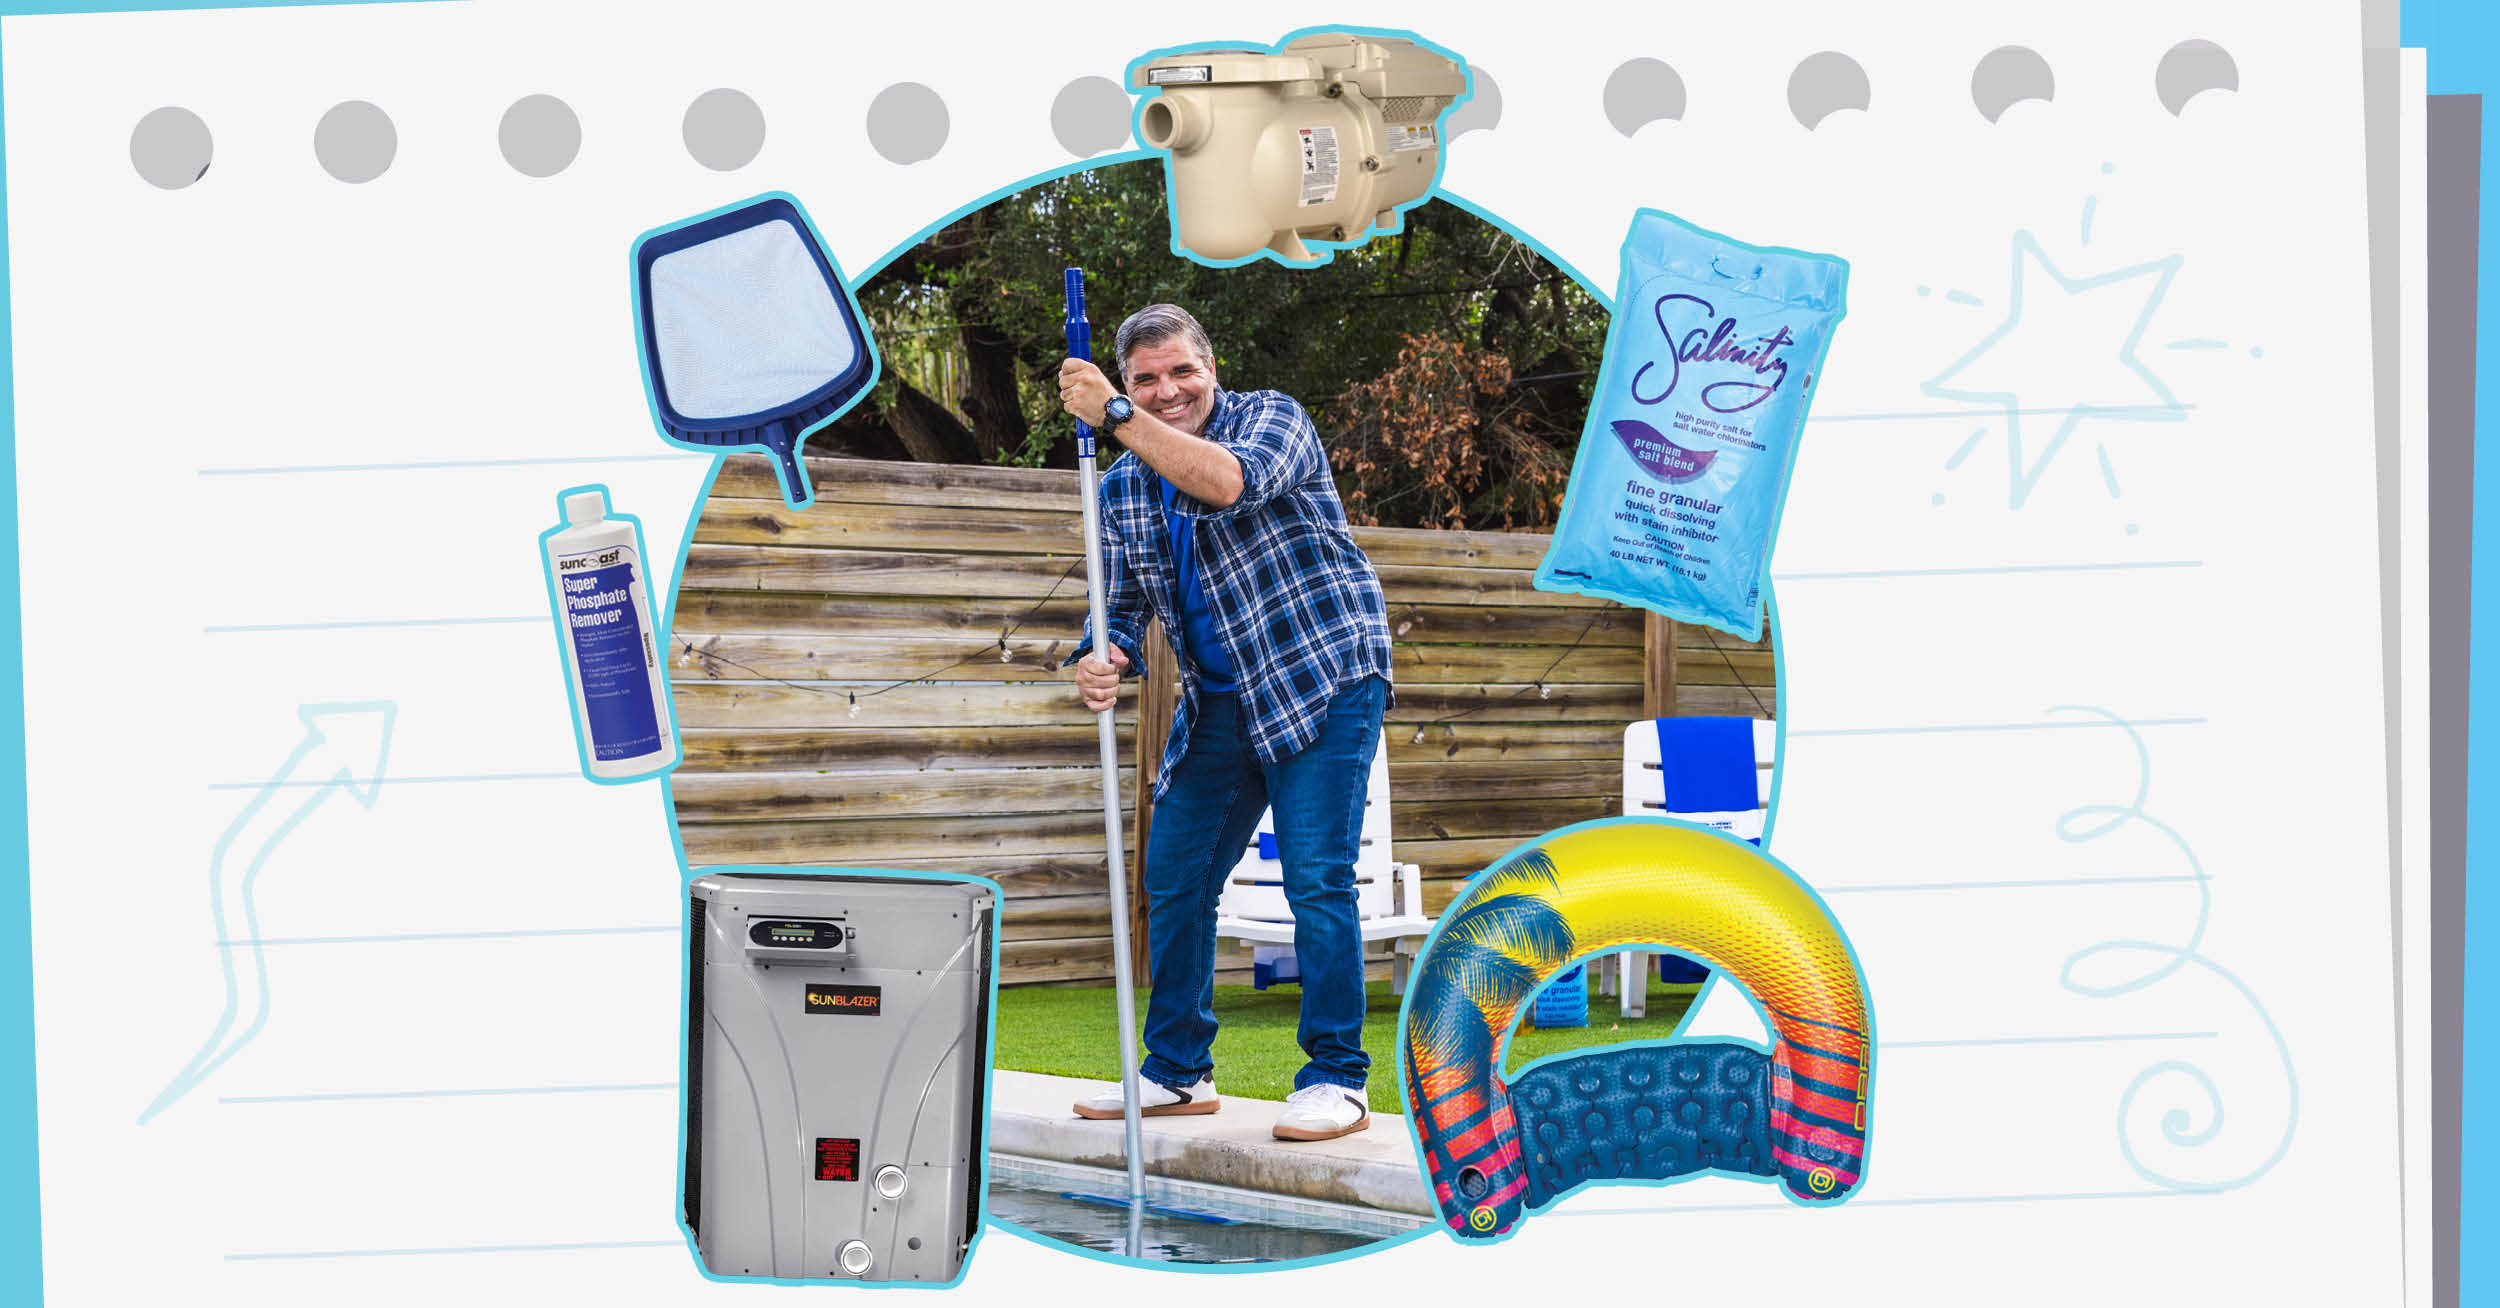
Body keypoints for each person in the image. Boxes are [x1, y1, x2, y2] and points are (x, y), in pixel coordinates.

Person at [1057, 303, 1393, 1143]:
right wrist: (1101, 654)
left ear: (1211, 369)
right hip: (1218, 698)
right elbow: (1120, 604)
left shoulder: (1273, 420)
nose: (1166, 390)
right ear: (1128, 380)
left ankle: (1337, 1078)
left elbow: (1228, 484)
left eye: (1182, 371)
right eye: (1144, 379)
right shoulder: (1122, 486)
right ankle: (1176, 1072)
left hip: (1321, 675)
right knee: (1175, 874)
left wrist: (1114, 413)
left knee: (1316, 878)